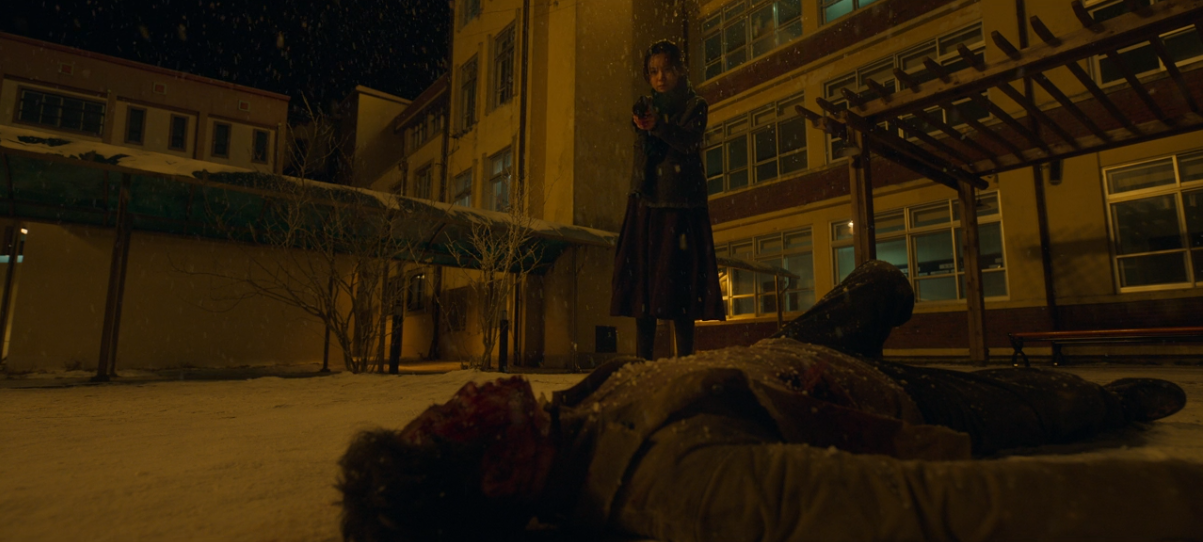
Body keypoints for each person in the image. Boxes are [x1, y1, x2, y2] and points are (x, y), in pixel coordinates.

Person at [338, 261, 1199, 542]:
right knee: (1052, 403)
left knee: (883, 281)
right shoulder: (679, 486)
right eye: (454, 416)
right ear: (497, 473)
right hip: (887, 396)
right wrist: (1174, 497)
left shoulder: (566, 416)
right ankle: (1106, 400)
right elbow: (936, 509)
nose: (466, 390)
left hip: (795, 345)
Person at [610, 40, 725, 360]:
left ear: (680, 70)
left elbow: (688, 141)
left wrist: (658, 126)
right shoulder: (647, 105)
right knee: (643, 294)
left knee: (680, 294)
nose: (660, 77)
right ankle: (643, 364)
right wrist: (643, 124)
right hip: (646, 205)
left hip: (680, 208)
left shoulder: (695, 104)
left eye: (667, 69)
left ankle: (684, 363)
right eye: (653, 71)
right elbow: (644, 149)